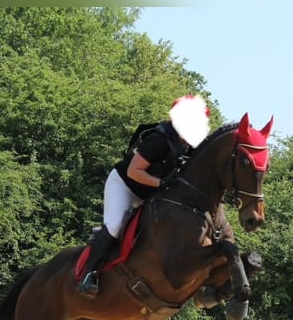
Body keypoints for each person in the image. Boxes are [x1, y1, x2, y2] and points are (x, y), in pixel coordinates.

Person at [77, 95, 211, 297]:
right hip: (125, 185)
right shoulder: (158, 140)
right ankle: (89, 274)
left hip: (152, 195)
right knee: (115, 226)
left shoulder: (192, 146)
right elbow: (134, 172)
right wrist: (162, 183)